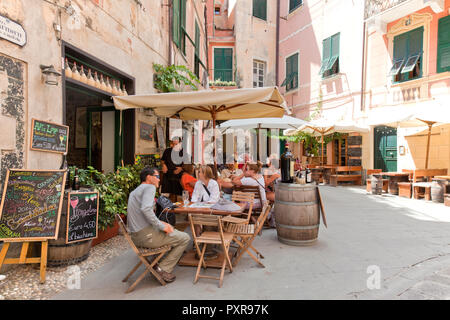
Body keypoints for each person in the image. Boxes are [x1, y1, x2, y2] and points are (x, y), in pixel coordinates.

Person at [127, 166, 190, 283]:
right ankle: (162, 268)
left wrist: (161, 224)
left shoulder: (135, 191)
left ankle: (158, 264)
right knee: (185, 238)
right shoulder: (149, 187)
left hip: (136, 237)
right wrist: (162, 226)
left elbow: (142, 213)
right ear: (148, 177)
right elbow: (146, 209)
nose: (159, 179)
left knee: (173, 230)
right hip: (147, 237)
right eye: (156, 176)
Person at [161, 136, 184, 202]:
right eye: (172, 144)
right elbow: (162, 161)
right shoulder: (167, 151)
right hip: (167, 175)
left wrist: (181, 168)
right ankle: (166, 210)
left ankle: (179, 211)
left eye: (176, 144)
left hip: (178, 176)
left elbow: (189, 166)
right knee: (165, 195)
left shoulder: (184, 152)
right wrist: (164, 165)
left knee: (179, 196)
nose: (173, 146)